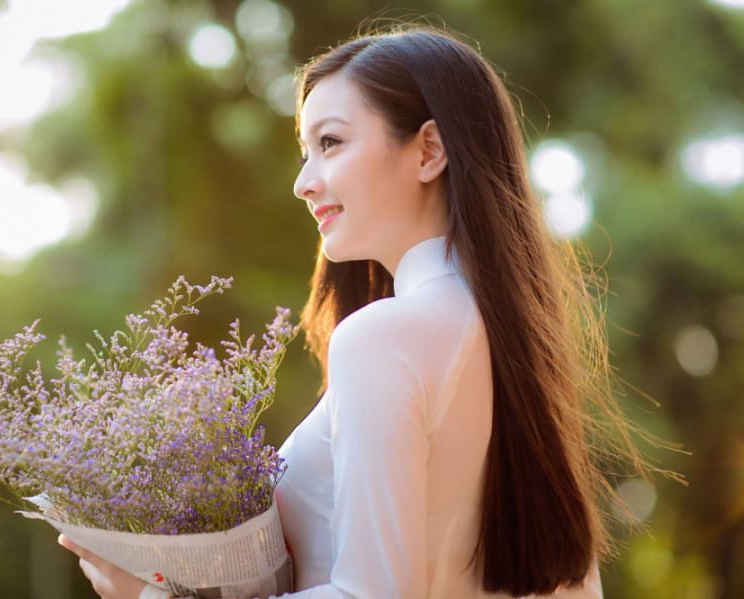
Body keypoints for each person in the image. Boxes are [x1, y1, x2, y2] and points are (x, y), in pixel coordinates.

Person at [61, 22, 654, 598]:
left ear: (428, 150)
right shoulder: (518, 344)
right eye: (304, 152)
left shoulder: (381, 337)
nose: (303, 182)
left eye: (330, 143)